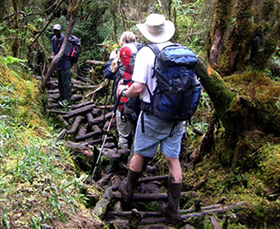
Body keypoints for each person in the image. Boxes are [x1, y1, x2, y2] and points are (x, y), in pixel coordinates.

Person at [117, 14, 185, 225]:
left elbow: (138, 88)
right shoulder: (178, 51)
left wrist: (123, 92)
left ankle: (128, 192)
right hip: (178, 116)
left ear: (147, 32)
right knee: (173, 159)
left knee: (139, 152)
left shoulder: (146, 53)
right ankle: (173, 209)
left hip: (154, 115)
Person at [115, 31, 140, 150]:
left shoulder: (119, 53)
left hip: (123, 89)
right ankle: (135, 149)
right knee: (136, 121)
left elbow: (109, 72)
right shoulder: (142, 51)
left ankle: (123, 145)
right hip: (138, 90)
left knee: (121, 116)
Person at [50, 24, 72, 107]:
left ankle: (67, 100)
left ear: (60, 31)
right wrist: (52, 56)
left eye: (57, 30)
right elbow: (53, 49)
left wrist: (55, 57)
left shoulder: (65, 39)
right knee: (60, 81)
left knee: (66, 82)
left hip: (65, 64)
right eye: (55, 30)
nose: (56, 32)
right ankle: (61, 95)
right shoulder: (54, 39)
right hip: (58, 64)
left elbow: (65, 53)